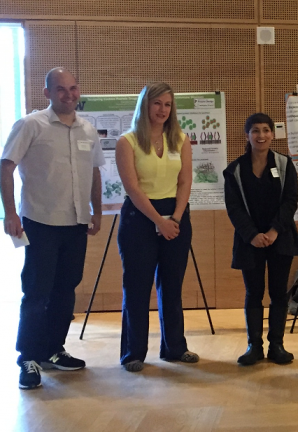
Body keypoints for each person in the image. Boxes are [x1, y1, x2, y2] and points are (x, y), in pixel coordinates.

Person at [2, 68, 103, 389]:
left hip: (75, 224)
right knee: (36, 292)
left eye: (73, 88)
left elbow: (96, 173)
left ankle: (52, 350)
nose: (68, 94)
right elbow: (6, 166)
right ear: (47, 93)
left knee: (65, 290)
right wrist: (9, 213)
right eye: (60, 89)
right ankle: (28, 357)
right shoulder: (31, 125)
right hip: (39, 223)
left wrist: (96, 211)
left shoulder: (88, 129)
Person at [116, 82, 199, 372]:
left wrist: (174, 218)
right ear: (145, 105)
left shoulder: (180, 139)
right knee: (137, 288)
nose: (163, 110)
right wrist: (159, 221)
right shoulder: (127, 141)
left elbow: (186, 181)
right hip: (140, 218)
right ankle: (133, 353)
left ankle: (175, 348)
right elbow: (133, 188)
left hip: (175, 217)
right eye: (157, 103)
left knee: (172, 286)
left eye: (167, 104)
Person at [224, 113, 298, 366]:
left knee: (279, 293)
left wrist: (273, 232)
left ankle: (277, 345)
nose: (261, 135)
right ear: (247, 135)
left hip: (280, 238)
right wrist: (252, 235)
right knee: (253, 293)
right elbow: (233, 208)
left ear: (272, 134)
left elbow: (291, 201)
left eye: (266, 130)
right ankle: (254, 346)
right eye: (255, 130)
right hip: (250, 241)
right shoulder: (234, 170)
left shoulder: (284, 164)